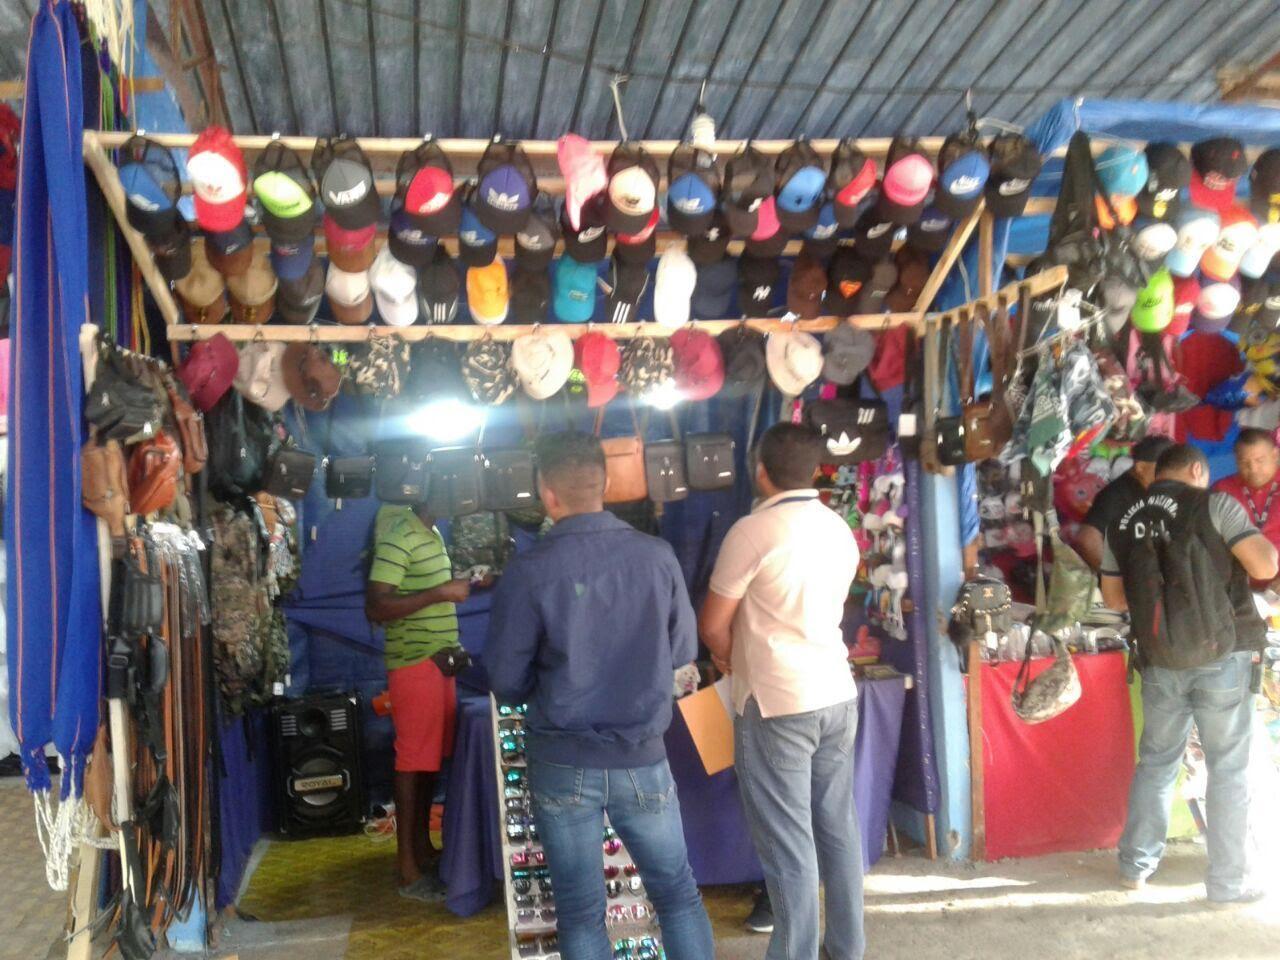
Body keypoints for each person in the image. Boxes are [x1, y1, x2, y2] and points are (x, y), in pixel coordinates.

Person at [487, 432, 714, 960]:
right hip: (642, 756)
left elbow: (506, 680)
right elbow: (684, 650)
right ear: (606, 483)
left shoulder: (530, 571)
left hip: (563, 760)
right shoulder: (656, 556)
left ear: (546, 493)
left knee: (580, 911)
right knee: (677, 896)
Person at [700, 423, 864, 960]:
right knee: (837, 829)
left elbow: (713, 624)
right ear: (816, 470)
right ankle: (847, 948)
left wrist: (728, 656)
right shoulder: (838, 527)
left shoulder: (753, 531)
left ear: (760, 471)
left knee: (789, 845)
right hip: (836, 692)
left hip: (777, 703)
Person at [1099, 443, 1276, 906]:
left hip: (1160, 657)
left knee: (1157, 763)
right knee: (1228, 769)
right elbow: (1265, 565)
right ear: (1197, 470)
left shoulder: (1123, 520)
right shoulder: (1215, 504)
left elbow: (1113, 599)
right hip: (1224, 654)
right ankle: (1228, 884)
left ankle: (1135, 867)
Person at [366, 503, 471, 901]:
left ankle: (423, 850)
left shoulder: (433, 533)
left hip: (440, 662)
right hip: (414, 663)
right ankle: (408, 869)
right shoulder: (399, 534)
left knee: (428, 763)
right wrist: (441, 592)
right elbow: (377, 606)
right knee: (412, 762)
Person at [1075, 434, 1174, 570]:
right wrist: (1115, 577)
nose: (1170, 476)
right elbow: (1087, 540)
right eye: (1164, 469)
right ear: (1141, 467)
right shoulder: (1116, 495)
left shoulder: (1156, 490)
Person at [1214, 427, 1280, 586]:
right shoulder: (1222, 490)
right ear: (1236, 460)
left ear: (1275, 455)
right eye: (1244, 462)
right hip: (1235, 584)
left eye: (1260, 460)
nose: (1253, 469)